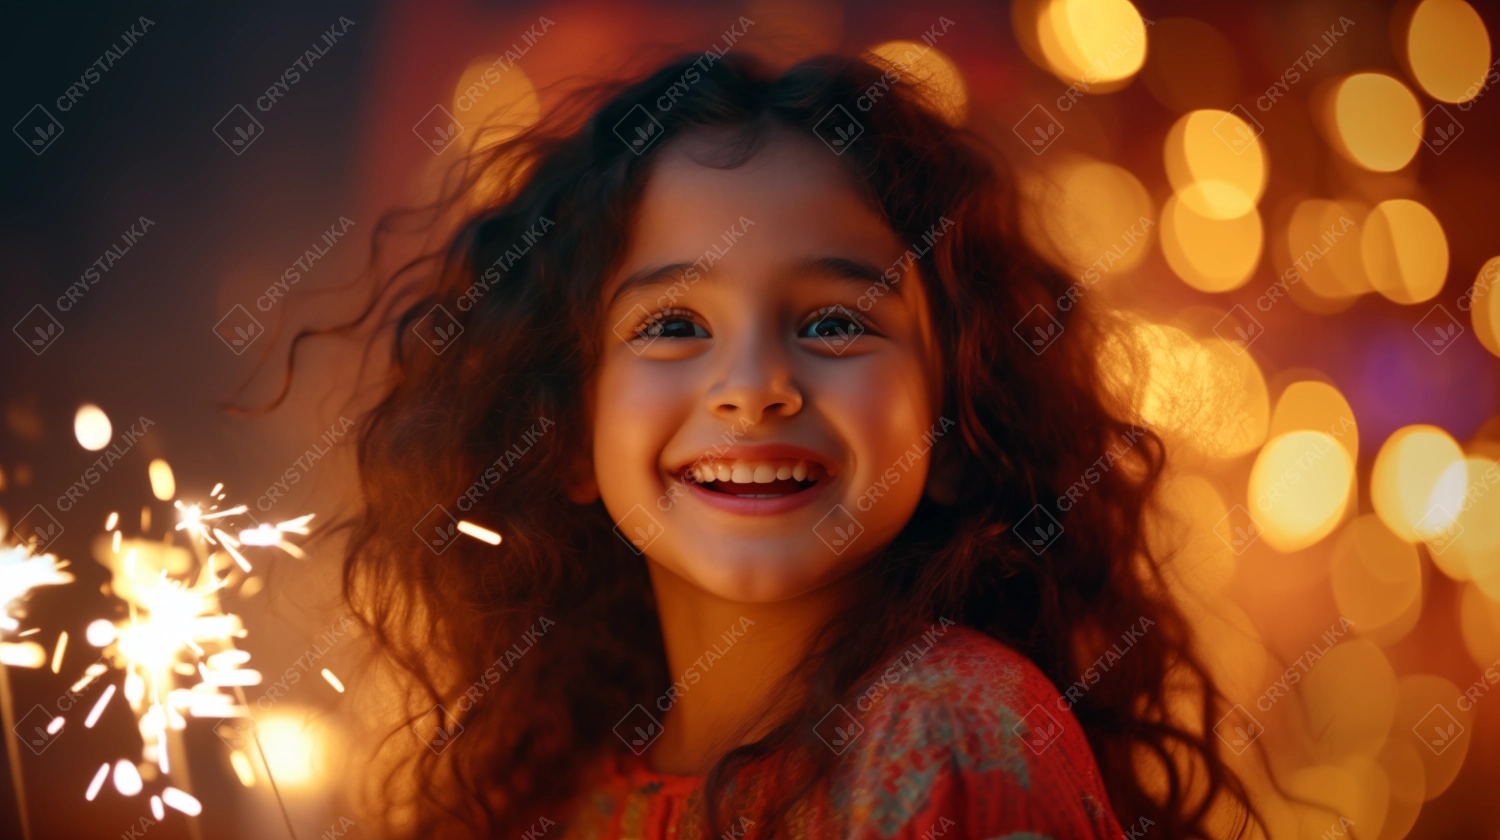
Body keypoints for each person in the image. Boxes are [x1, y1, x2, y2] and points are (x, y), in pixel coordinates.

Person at [316, 52, 1259, 839]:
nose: (756, 387)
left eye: (837, 323)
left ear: (958, 423)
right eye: (676, 323)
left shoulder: (952, 732)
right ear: (563, 432)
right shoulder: (557, 797)